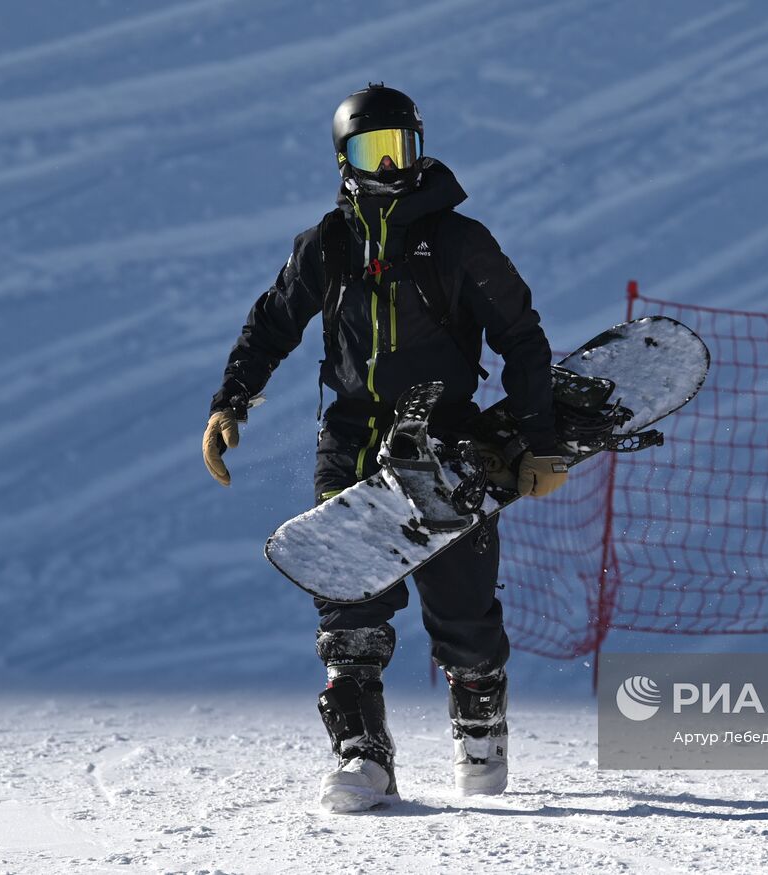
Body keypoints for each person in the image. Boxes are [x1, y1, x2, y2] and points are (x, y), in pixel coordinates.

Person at [200, 84, 568, 812]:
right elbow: (272, 322)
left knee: (462, 607)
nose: (393, 164)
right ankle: (362, 754)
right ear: (346, 159)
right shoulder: (327, 244)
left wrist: (542, 443)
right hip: (352, 443)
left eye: (404, 148)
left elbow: (521, 338)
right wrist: (230, 401)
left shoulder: (461, 243)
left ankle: (479, 726)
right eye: (375, 151)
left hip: (449, 445)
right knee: (348, 603)